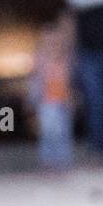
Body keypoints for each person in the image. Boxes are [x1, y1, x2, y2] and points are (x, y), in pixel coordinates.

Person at [63, 0, 103, 158]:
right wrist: (69, 55)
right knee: (94, 99)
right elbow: (70, 21)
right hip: (87, 52)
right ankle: (99, 149)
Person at [30, 11, 76, 168]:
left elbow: (69, 84)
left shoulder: (66, 61)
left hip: (62, 103)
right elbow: (34, 83)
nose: (52, 45)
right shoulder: (40, 63)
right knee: (49, 133)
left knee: (64, 133)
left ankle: (63, 162)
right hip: (47, 104)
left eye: (56, 42)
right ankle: (48, 161)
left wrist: (71, 99)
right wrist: (34, 102)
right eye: (48, 42)